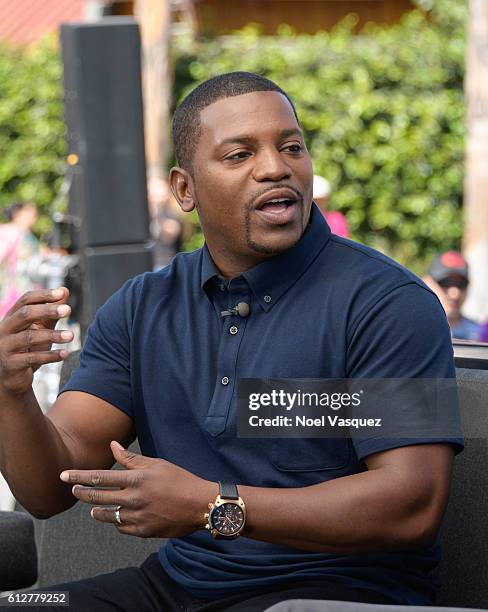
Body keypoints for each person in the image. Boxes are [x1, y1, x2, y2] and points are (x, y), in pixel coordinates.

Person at [0, 72, 462, 611]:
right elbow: (49, 487)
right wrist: (11, 394)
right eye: (239, 154)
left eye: (291, 146)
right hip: (177, 589)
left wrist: (212, 505)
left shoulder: (385, 302)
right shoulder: (142, 307)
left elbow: (411, 505)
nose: (275, 167)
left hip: (334, 595)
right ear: (185, 189)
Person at [423, 251, 481, 341]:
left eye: (461, 284)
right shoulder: (411, 330)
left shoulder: (480, 336)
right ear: (426, 282)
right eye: (445, 283)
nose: (455, 294)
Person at [0, 202, 40, 319]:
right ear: (17, 214)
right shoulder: (11, 231)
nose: (34, 218)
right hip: (16, 287)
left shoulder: (27, 233)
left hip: (29, 285)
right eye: (30, 214)